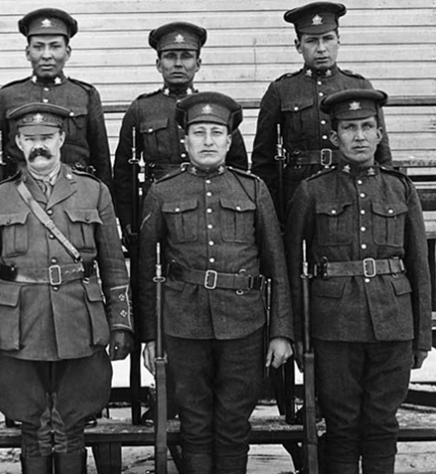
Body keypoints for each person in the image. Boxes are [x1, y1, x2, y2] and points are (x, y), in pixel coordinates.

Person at [0, 102, 134, 473]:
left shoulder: (93, 193)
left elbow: (112, 265)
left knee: (71, 423)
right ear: (18, 142)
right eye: (30, 139)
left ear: (62, 138)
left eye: (46, 137)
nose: (38, 146)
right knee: (33, 425)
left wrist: (121, 322)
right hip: (20, 324)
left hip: (79, 318)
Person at [138, 92, 294, 474]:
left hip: (243, 322)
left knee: (233, 422)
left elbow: (277, 266)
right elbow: (145, 269)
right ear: (184, 140)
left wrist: (281, 331)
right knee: (194, 421)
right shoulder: (163, 191)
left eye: (216, 133)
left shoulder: (252, 189)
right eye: (198, 132)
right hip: (183, 322)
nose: (207, 140)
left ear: (228, 141)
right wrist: (151, 334)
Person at [285, 89, 431, 474]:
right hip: (333, 325)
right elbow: (292, 267)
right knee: (342, 424)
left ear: (380, 134)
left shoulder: (399, 187)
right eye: (350, 128)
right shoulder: (312, 191)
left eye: (368, 126)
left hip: (394, 322)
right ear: (335, 137)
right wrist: (299, 336)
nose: (360, 136)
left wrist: (422, 335)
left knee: (382, 424)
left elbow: (419, 264)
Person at [251, 1, 391, 221]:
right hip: (297, 189)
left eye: (328, 38)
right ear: (298, 45)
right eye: (312, 41)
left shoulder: (359, 86)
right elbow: (263, 159)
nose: (321, 48)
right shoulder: (281, 90)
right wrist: (270, 212)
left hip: (350, 185)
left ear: (338, 41)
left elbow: (382, 152)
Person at [112, 21, 248, 241]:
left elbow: (238, 164)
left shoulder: (214, 107)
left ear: (198, 63)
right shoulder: (141, 109)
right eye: (170, 56)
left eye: (186, 56)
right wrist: (128, 220)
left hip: (208, 204)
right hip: (156, 207)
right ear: (158, 64)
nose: (177, 64)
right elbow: (123, 174)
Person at [0, 8, 112, 203]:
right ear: (27, 52)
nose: (46, 55)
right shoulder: (8, 96)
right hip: (20, 199)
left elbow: (101, 160)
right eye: (39, 47)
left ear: (67, 52)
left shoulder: (85, 95)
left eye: (55, 46)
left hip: (77, 198)